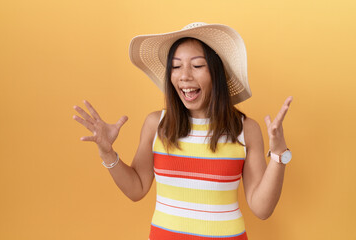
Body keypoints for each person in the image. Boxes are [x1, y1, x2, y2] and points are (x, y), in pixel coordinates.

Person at [73, 22, 293, 240]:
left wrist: (278, 155)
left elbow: (262, 209)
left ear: (216, 73)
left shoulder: (245, 129)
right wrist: (107, 152)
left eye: (197, 66)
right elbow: (136, 189)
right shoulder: (156, 124)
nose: (184, 76)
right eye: (176, 67)